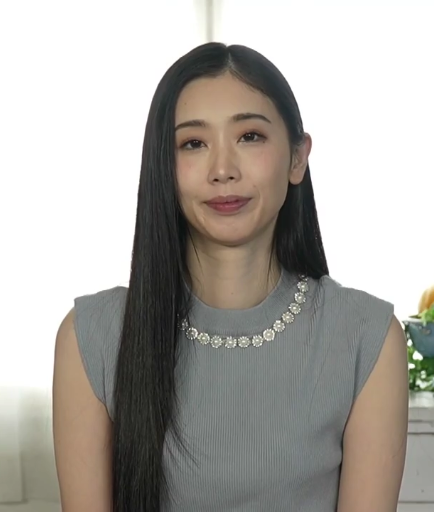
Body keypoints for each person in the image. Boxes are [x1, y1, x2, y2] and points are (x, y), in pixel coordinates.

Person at [52, 42, 409, 512]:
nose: (222, 170)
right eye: (193, 144)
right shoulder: (92, 336)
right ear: (162, 166)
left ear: (297, 158)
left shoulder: (367, 337)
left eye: (250, 136)